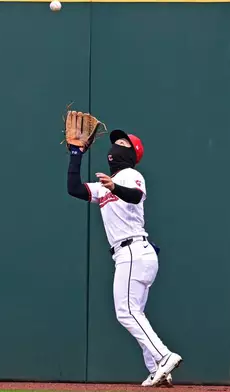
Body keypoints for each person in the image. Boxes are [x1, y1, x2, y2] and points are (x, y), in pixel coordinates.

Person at [66, 128, 182, 387]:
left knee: (125, 312)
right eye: (115, 142)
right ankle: (157, 369)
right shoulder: (104, 185)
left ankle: (164, 356)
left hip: (133, 252)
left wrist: (114, 185)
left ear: (131, 153)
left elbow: (135, 195)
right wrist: (76, 154)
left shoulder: (131, 175)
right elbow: (73, 188)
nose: (115, 146)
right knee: (135, 312)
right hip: (133, 255)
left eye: (122, 143)